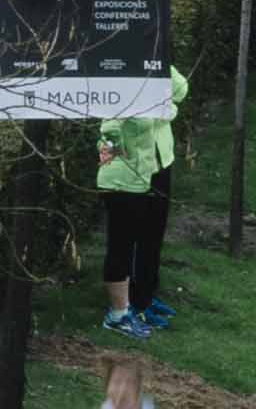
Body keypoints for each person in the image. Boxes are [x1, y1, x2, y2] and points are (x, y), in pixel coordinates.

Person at [95, 64, 184, 337]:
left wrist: (162, 62)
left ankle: (143, 301)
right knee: (122, 245)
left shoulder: (152, 65)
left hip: (157, 168)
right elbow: (109, 128)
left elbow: (181, 90)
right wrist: (116, 148)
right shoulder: (119, 74)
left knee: (151, 238)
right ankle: (118, 313)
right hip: (126, 178)